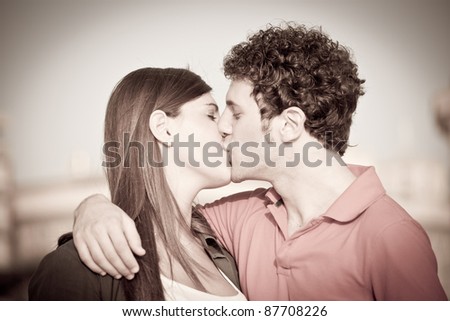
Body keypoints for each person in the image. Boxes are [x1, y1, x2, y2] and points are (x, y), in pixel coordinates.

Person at [71, 23, 448, 300]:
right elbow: (159, 211)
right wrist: (93, 207)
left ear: (288, 125)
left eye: (235, 114)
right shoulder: (242, 216)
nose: (222, 128)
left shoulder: (390, 236)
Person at [28, 67, 246, 301]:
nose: (225, 128)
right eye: (210, 115)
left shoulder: (225, 249)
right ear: (164, 128)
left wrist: (91, 203)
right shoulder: (75, 269)